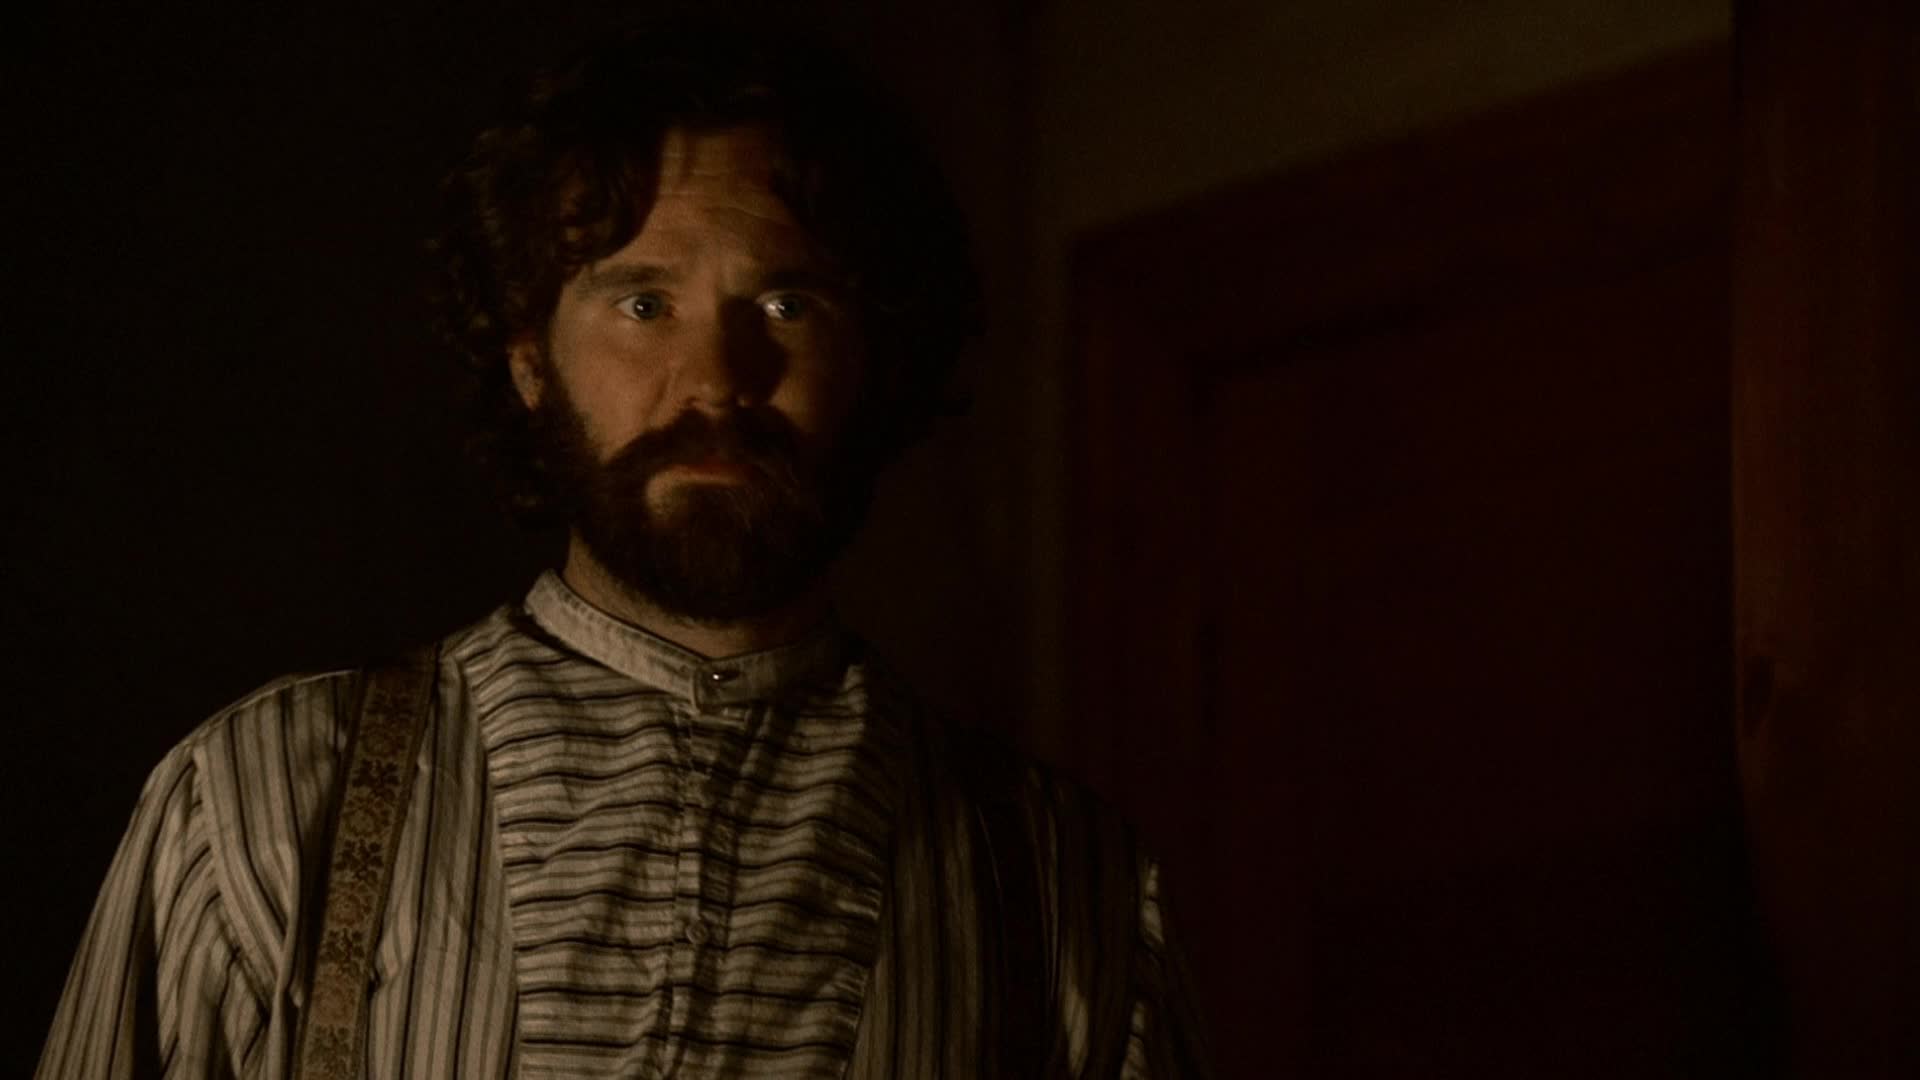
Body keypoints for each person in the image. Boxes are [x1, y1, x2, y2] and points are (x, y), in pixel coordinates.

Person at [39, 20, 1208, 1079]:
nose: (716, 381)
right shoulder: (259, 801)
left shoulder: (1066, 884)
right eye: (643, 304)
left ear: (876, 357)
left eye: (786, 306)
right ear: (529, 358)